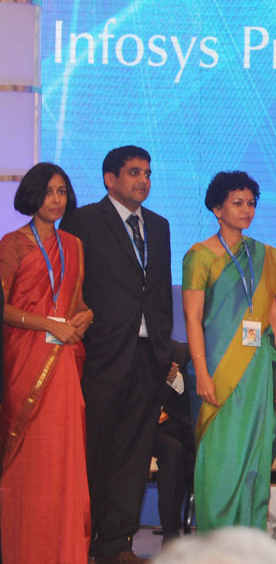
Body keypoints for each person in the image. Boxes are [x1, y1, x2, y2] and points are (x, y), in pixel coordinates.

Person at [61, 145, 173, 564]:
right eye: (133, 172)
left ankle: (117, 544)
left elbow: (159, 292)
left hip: (147, 358)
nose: (142, 180)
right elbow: (73, 286)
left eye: (147, 172)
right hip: (100, 358)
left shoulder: (158, 226)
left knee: (133, 456)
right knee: (94, 454)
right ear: (110, 179)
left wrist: (164, 347)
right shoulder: (83, 222)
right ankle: (83, 542)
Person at [182, 171, 276, 531]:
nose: (247, 210)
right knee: (220, 457)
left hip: (257, 368)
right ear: (217, 208)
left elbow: (272, 314)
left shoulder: (262, 256)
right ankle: (216, 544)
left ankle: (249, 541)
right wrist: (201, 371)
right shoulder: (199, 256)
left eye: (251, 203)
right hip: (217, 370)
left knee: (256, 453)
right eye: (237, 203)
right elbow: (193, 318)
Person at [0, 162, 92, 563]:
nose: (56, 200)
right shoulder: (12, 244)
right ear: (33, 195)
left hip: (64, 364)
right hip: (25, 357)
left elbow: (80, 303)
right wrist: (47, 324)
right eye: (49, 192)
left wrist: (84, 318)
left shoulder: (74, 245)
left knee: (63, 459)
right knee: (28, 457)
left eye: (62, 192)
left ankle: (63, 547)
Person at [153, 341, 196, 544]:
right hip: (142, 429)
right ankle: (170, 535)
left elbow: (196, 392)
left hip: (176, 427)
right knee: (174, 452)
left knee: (195, 448)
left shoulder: (180, 353)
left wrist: (174, 379)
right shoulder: (127, 349)